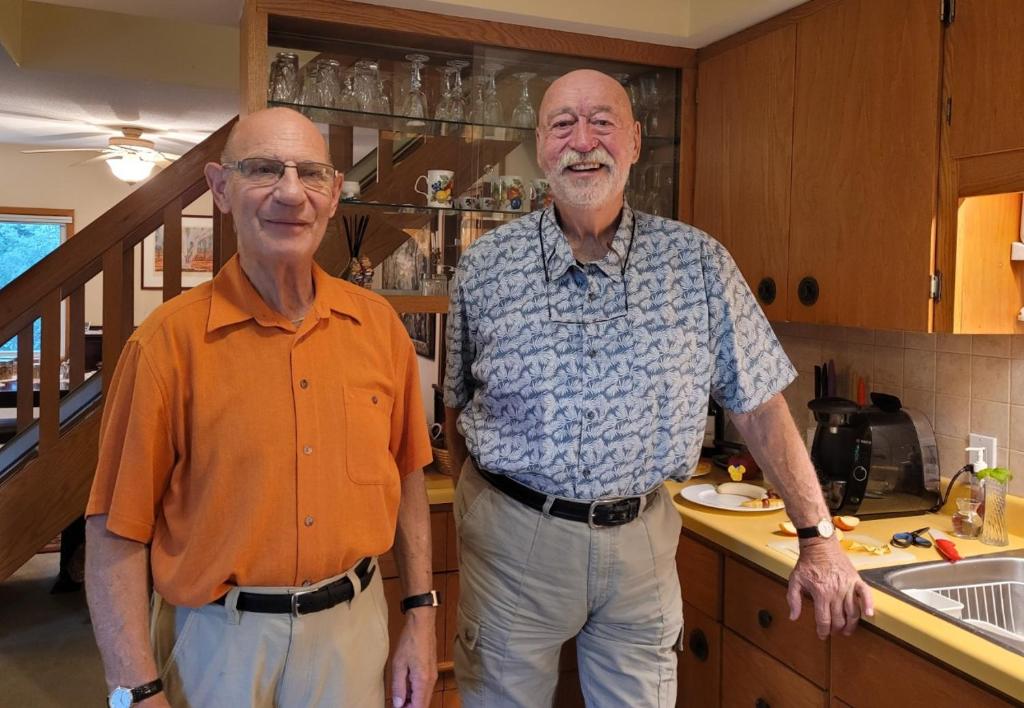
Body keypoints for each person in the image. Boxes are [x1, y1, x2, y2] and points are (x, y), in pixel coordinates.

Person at [443, 69, 874, 707]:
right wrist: (479, 512)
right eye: (563, 124)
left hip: (642, 542)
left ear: (636, 141)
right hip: (513, 543)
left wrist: (817, 537)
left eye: (602, 123)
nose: (582, 141)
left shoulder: (697, 263)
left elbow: (758, 404)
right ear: (540, 145)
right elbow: (457, 408)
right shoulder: (485, 266)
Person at [85, 107, 438, 708]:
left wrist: (422, 617)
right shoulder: (165, 345)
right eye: (264, 170)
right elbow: (115, 531)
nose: (291, 193)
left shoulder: (379, 327)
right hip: (216, 646)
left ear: (332, 197)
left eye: (311, 175)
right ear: (221, 188)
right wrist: (135, 690)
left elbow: (406, 476)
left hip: (352, 636)